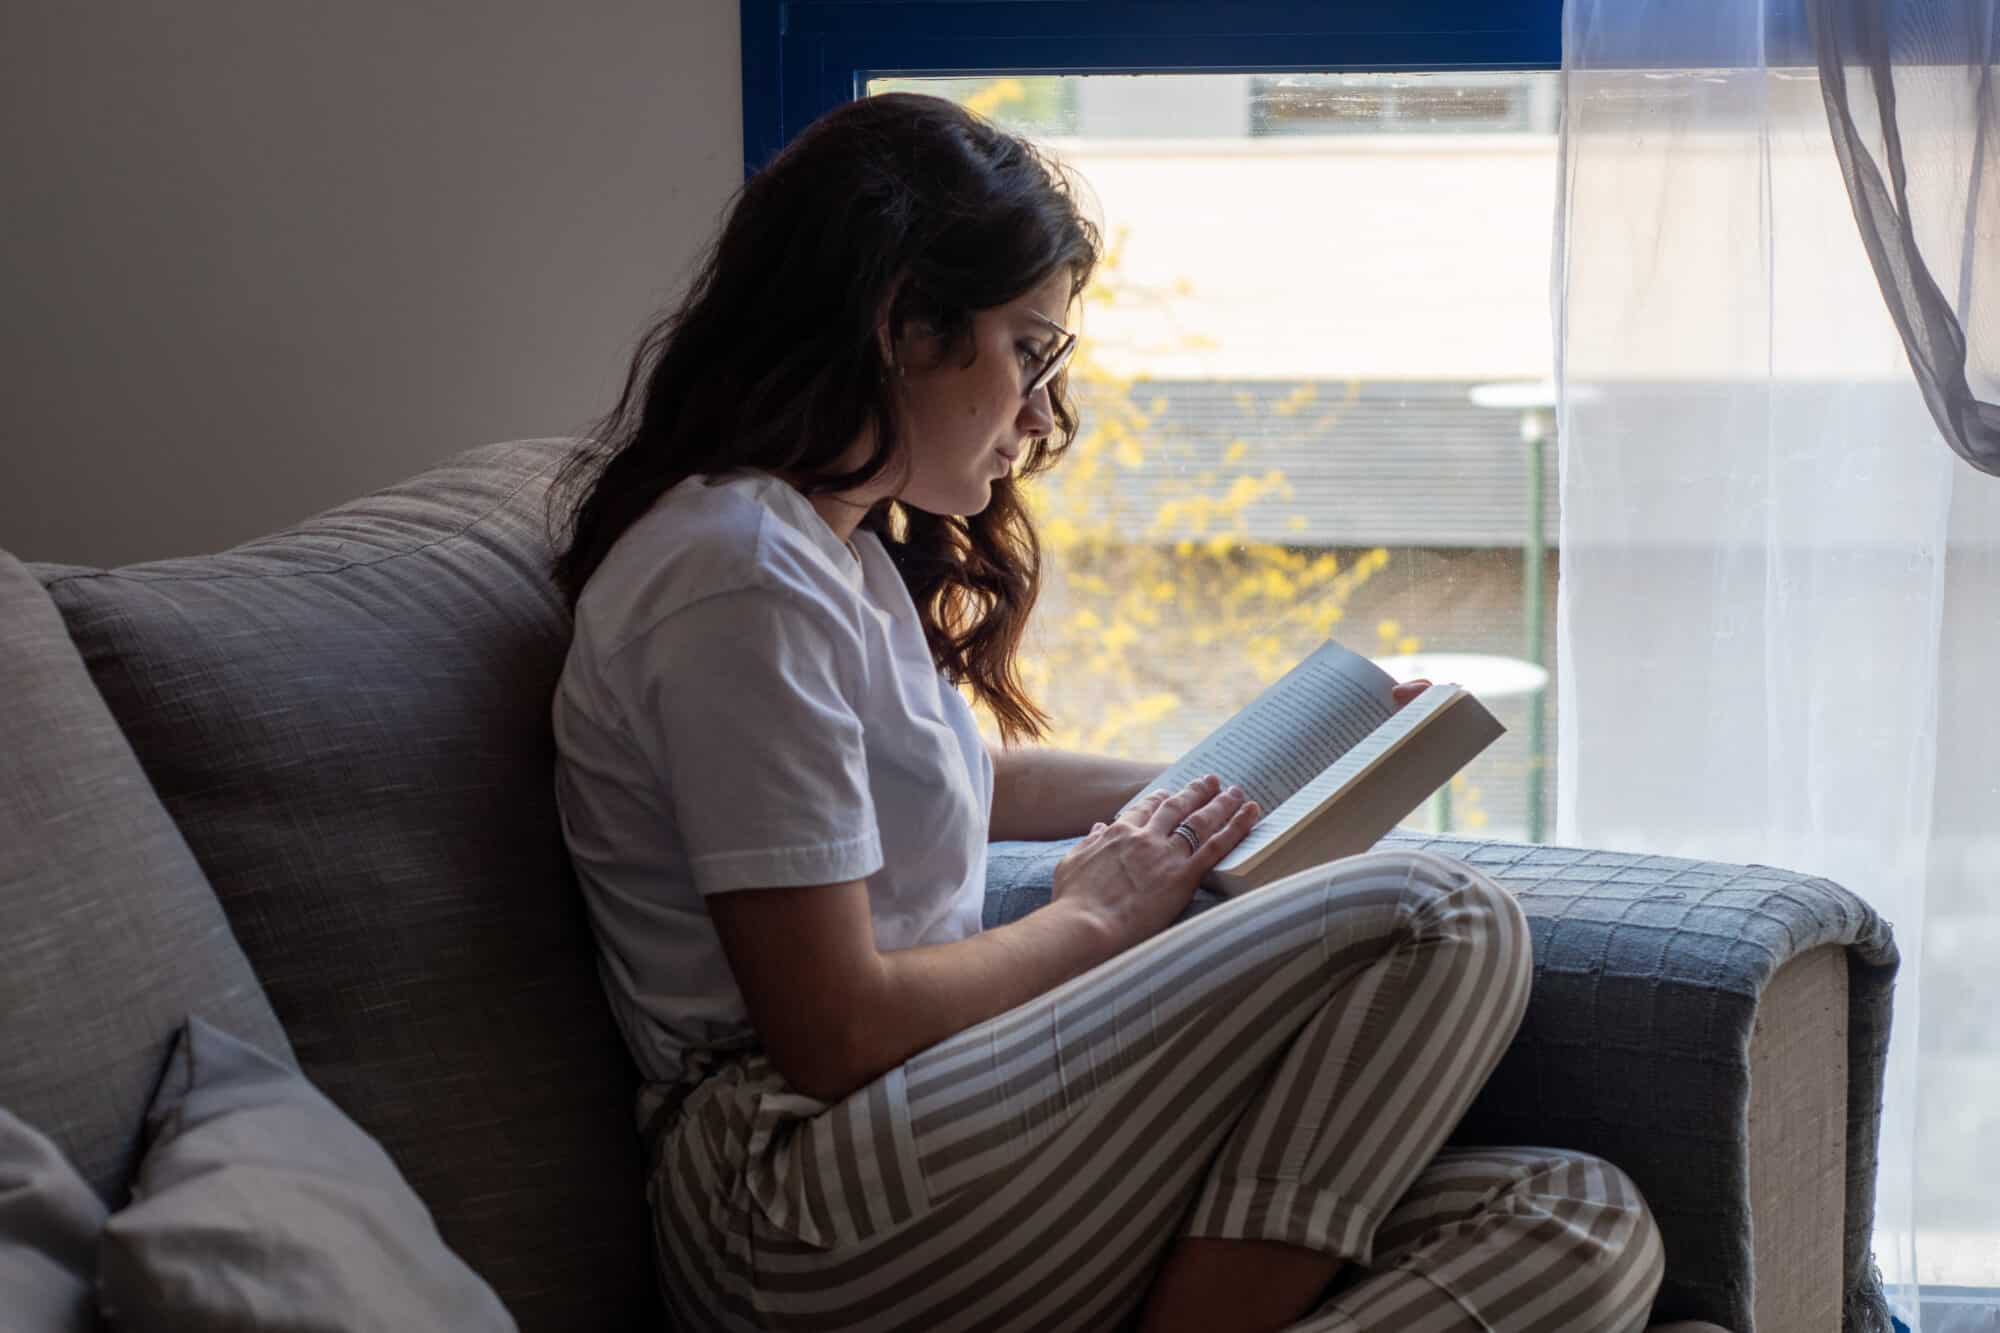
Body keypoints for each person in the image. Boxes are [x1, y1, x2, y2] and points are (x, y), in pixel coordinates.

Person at [545, 91, 1664, 1333]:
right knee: (1439, 917)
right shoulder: (734, 571)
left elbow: (967, 785)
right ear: (901, 325)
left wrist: (1262, 771)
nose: (1038, 416)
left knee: (1576, 1221)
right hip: (795, 1196)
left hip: (934, 1135)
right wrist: (1091, 918)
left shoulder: (832, 552)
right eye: (1026, 351)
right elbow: (833, 1026)